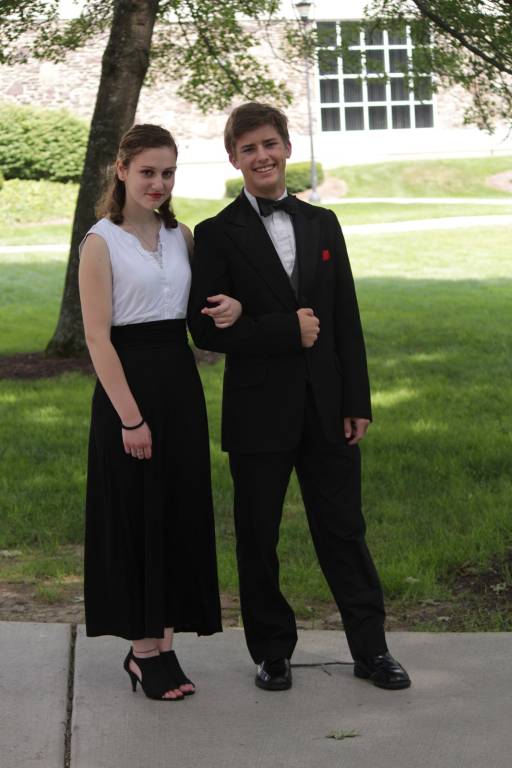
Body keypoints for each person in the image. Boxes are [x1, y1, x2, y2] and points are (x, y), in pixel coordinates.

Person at [187, 102, 410, 692]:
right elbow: (204, 328)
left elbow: (344, 319)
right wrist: (285, 329)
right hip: (257, 411)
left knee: (344, 530)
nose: (261, 156)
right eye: (249, 149)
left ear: (287, 148)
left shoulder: (322, 223)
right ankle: (272, 652)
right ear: (233, 159)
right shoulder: (215, 234)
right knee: (258, 537)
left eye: (270, 144)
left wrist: (356, 401)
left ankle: (372, 649)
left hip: (327, 407)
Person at [79, 123, 241, 701]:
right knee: (136, 516)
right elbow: (97, 338)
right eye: (147, 171)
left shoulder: (182, 236)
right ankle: (141, 652)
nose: (158, 183)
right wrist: (130, 418)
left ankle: (164, 644)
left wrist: (233, 306)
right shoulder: (100, 242)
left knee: (176, 513)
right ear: (121, 170)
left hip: (180, 388)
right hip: (128, 392)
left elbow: (199, 313)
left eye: (168, 173)